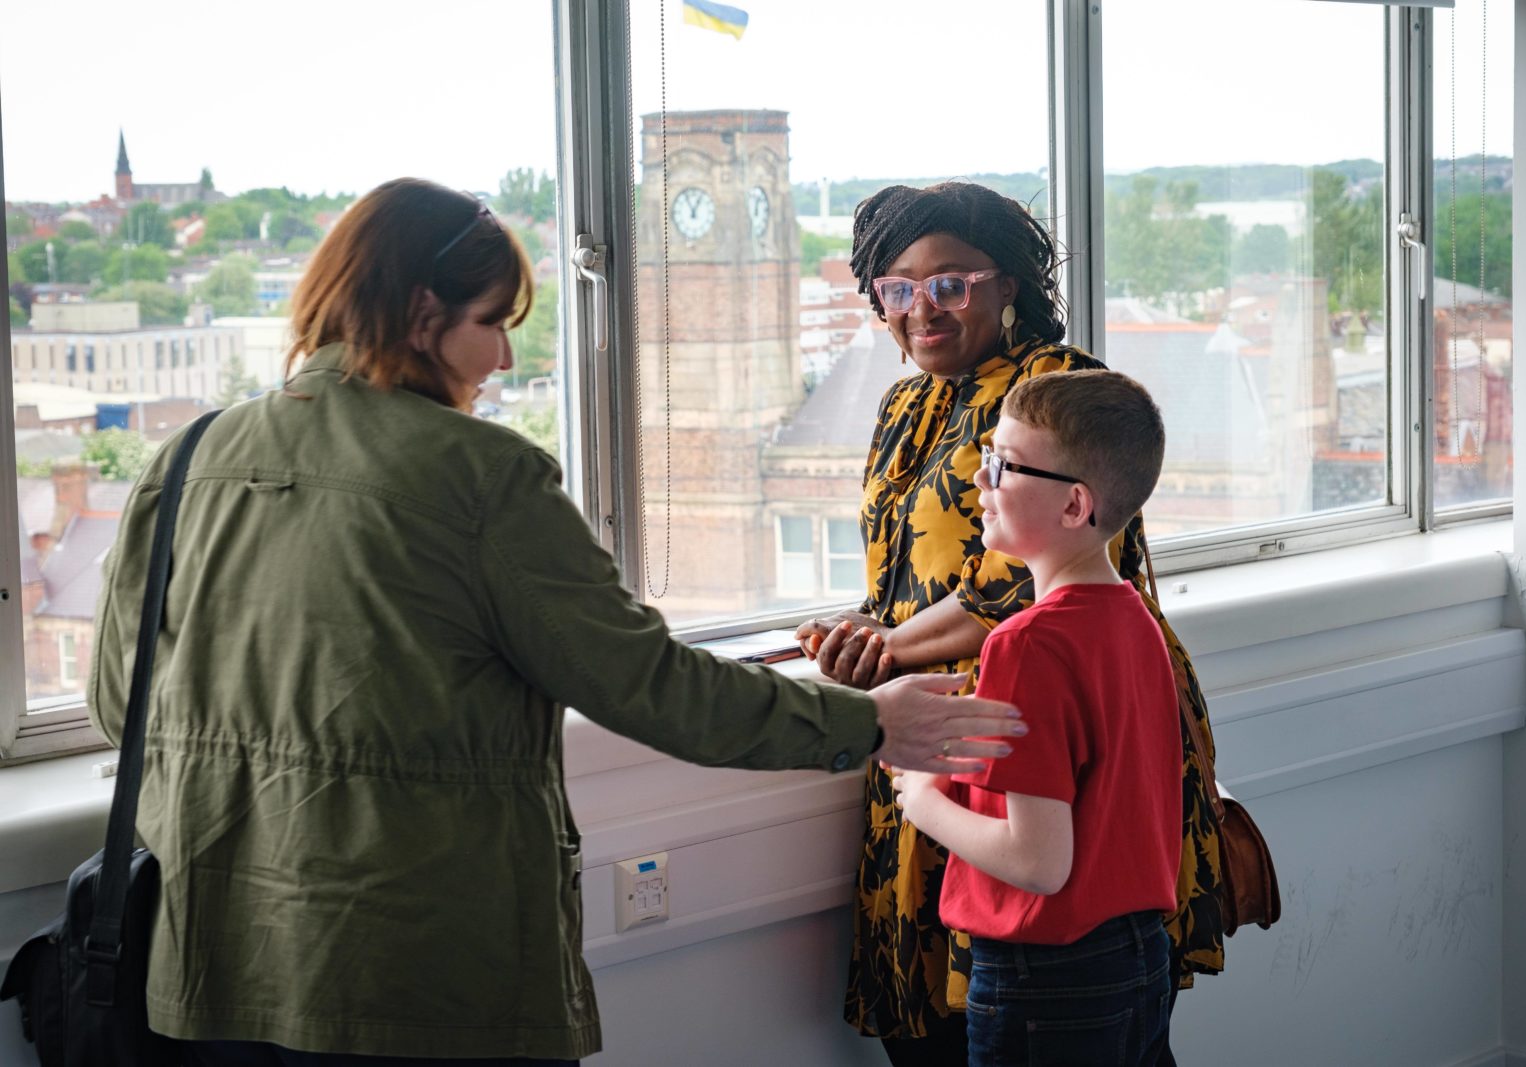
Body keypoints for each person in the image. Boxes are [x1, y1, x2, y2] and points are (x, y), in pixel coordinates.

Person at [85, 178, 1027, 1067]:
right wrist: (868, 721)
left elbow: (117, 700)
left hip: (207, 968)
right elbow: (647, 683)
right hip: (415, 978)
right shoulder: (480, 474)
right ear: (421, 315)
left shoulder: (190, 453)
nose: (502, 358)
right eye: (492, 324)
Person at [794, 181, 1223, 1067]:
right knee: (957, 1008)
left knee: (1050, 985)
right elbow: (900, 572)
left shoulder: (1055, 386)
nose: (922, 309)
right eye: (897, 288)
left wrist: (881, 653)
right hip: (939, 719)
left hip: (1032, 720)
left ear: (1009, 285)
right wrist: (870, 635)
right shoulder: (904, 403)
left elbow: (1006, 586)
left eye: (949, 283)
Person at [893, 370, 1180, 1066]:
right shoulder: (1134, 619)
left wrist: (920, 796)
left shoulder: (1025, 642)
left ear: (1075, 504)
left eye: (1003, 465)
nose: (978, 482)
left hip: (1049, 977)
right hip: (1141, 957)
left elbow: (1038, 862)